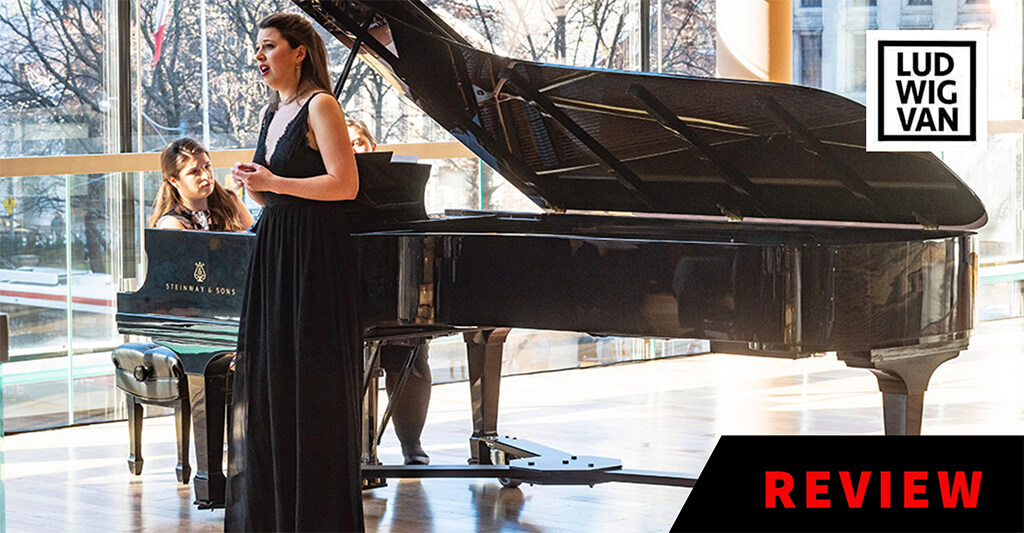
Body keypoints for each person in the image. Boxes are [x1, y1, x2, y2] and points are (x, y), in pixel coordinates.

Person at [226, 12, 363, 532]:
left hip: (312, 255)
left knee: (310, 384)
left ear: (299, 51)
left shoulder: (321, 105)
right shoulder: (273, 112)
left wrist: (274, 183)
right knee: (273, 381)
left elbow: (344, 185)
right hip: (276, 247)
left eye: (268, 46)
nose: (258, 57)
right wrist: (254, 184)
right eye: (257, 48)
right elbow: (273, 194)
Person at [347, 117, 432, 465]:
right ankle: (355, 450)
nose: (354, 150)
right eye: (345, 144)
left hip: (392, 280)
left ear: (372, 146)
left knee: (411, 350)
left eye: (358, 143)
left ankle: (411, 442)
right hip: (344, 286)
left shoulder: (396, 183)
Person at [150, 137, 254, 232]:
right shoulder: (171, 223)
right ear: (174, 181)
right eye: (194, 172)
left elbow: (255, 239)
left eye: (207, 166)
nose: (206, 175)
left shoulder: (230, 200)